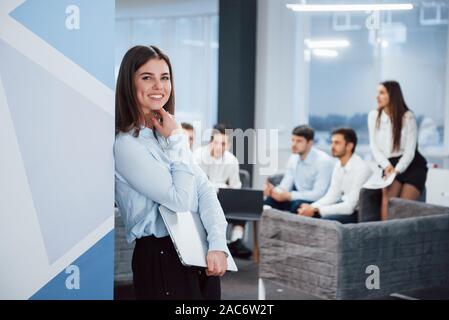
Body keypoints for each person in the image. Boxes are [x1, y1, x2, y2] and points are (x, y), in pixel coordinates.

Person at [114, 45, 229, 300]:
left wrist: (218, 244)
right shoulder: (126, 145)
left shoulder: (166, 135)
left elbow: (205, 192)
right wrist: (178, 140)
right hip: (160, 256)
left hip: (199, 250)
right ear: (128, 83)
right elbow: (181, 200)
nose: (158, 86)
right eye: (147, 77)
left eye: (164, 77)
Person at [368, 80, 428, 220]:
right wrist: (387, 166)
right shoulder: (373, 116)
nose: (377, 97)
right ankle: (385, 236)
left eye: (382, 93)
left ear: (392, 95)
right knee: (388, 201)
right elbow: (374, 146)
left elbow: (410, 151)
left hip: (412, 164)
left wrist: (397, 170)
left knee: (402, 206)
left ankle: (401, 240)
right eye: (377, 93)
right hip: (389, 164)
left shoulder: (407, 117)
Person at [194, 124, 252, 259]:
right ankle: (208, 242)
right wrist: (219, 186)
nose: (220, 146)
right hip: (201, 197)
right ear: (211, 142)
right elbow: (199, 184)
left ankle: (236, 242)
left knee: (242, 205)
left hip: (223, 197)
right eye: (216, 142)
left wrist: (224, 190)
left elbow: (235, 186)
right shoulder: (198, 155)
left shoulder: (232, 160)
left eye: (224, 143)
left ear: (229, 145)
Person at [298, 128, 372, 224]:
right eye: (332, 142)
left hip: (357, 213)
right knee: (304, 212)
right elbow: (332, 195)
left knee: (322, 221)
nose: (332, 146)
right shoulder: (338, 164)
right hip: (343, 206)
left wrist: (316, 210)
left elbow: (349, 207)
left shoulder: (362, 169)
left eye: (337, 143)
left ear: (349, 146)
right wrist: (311, 207)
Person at [264, 125, 335, 213]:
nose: (294, 144)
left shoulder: (323, 161)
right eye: (293, 140)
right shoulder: (293, 158)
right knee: (268, 201)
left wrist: (290, 196)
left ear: (310, 143)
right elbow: (285, 185)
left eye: (299, 141)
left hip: (317, 201)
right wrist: (273, 191)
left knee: (297, 205)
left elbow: (319, 194)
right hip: (298, 197)